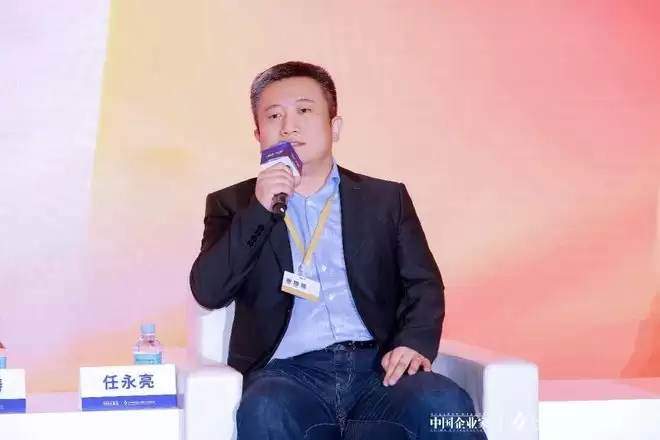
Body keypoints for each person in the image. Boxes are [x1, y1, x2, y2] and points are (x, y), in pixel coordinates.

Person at [189, 61, 487, 440]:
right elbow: (209, 291)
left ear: (335, 127)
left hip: (380, 368)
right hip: (286, 376)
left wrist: (413, 343)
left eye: (304, 110)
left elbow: (423, 284)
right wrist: (258, 210)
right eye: (274, 116)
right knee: (263, 411)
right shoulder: (232, 204)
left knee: (448, 406)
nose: (289, 126)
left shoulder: (385, 199)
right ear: (258, 134)